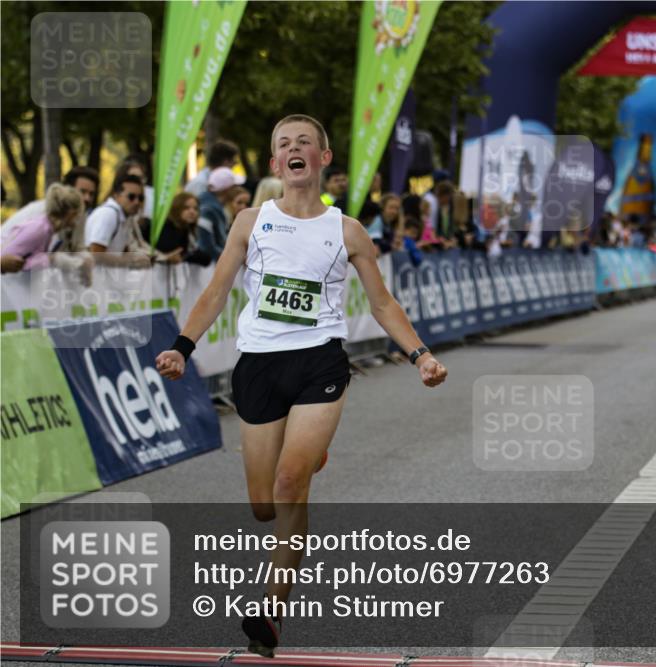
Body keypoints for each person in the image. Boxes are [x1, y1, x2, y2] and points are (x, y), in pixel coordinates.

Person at [155, 114, 447, 657]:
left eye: (304, 143)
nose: (294, 150)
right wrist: (182, 346)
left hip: (319, 364)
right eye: (284, 144)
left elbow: (382, 302)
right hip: (258, 366)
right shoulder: (250, 221)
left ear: (323, 158)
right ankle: (306, 456)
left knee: (291, 488)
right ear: (273, 163)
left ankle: (271, 611)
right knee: (264, 505)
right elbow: (217, 291)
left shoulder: (348, 231)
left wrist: (420, 354)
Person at [1, 166, 99, 250]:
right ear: (68, 190)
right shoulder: (41, 213)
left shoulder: (80, 216)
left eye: (91, 194)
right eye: (82, 192)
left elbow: (77, 247)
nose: (87, 198)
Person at [0, 183, 82, 272]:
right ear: (71, 213)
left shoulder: (47, 230)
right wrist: (50, 259)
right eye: (77, 215)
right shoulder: (38, 229)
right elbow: (7, 258)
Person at [84, 174, 151, 267]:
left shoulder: (125, 217)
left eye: (141, 198)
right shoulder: (108, 214)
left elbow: (124, 251)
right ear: (116, 195)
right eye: (131, 197)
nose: (136, 202)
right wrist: (127, 262)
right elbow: (96, 253)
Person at [143, 192, 211, 266]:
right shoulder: (166, 227)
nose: (192, 212)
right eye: (186, 208)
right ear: (176, 208)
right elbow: (172, 251)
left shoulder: (186, 229)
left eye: (195, 208)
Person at [198, 167, 246, 261]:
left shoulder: (210, 205)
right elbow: (207, 245)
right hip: (209, 268)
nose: (237, 189)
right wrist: (232, 260)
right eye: (234, 186)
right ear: (227, 189)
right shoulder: (209, 209)